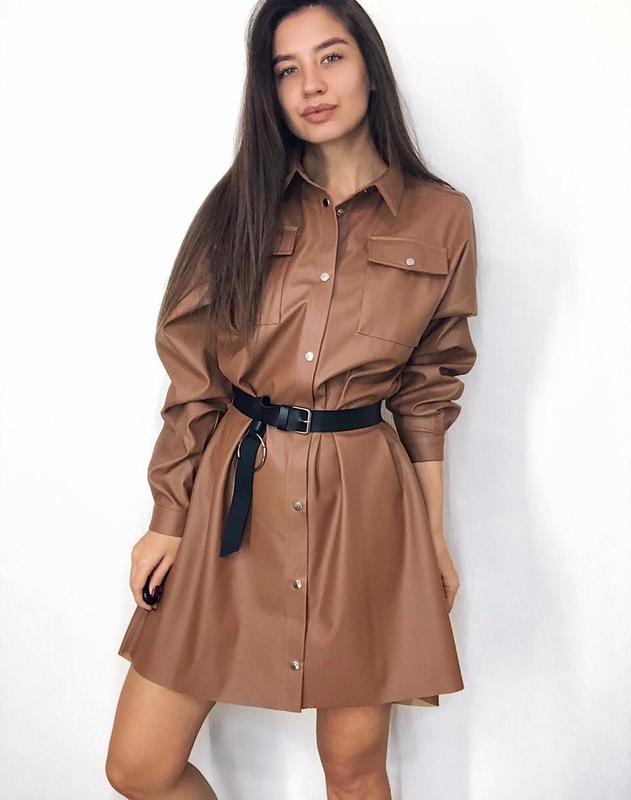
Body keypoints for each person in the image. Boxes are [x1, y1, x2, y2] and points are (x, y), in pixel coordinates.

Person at [105, 1, 479, 797]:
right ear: (268, 91)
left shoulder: (442, 216)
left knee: (353, 770)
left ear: (369, 68)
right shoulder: (237, 206)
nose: (311, 84)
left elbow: (427, 392)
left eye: (330, 57)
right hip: (232, 502)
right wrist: (166, 518)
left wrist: (432, 538)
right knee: (138, 768)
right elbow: (194, 378)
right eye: (286, 69)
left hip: (364, 512)